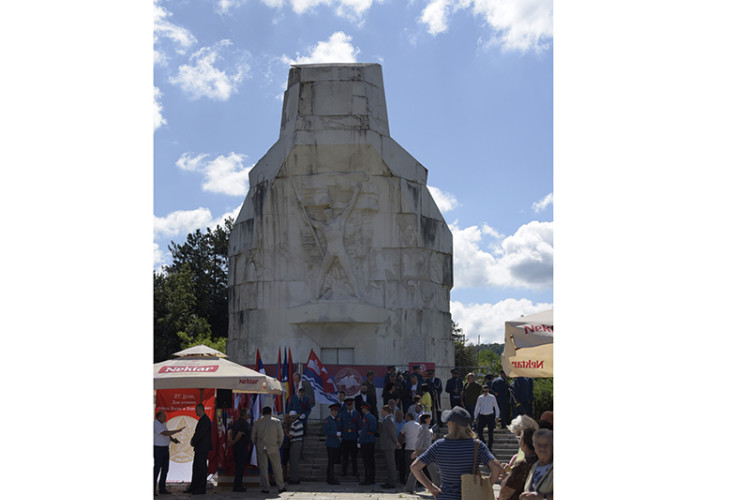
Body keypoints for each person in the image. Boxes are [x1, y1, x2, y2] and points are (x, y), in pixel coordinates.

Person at [409, 406, 502, 500]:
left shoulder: (438, 445)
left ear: (451, 424)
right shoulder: (477, 446)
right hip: (470, 496)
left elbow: (415, 467)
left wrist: (431, 487)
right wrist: (486, 486)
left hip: (445, 496)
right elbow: (497, 467)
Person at [250, 406, 287, 495]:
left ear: (262, 413)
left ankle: (266, 487)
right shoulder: (276, 422)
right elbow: (281, 436)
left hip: (261, 447)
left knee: (263, 468)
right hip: (273, 446)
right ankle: (281, 486)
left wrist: (257, 444)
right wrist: (278, 445)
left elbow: (252, 436)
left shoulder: (257, 422)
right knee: (277, 467)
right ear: (270, 413)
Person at [404, 413, 440, 494]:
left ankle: (409, 487)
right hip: (424, 451)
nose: (430, 420)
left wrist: (432, 438)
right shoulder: (423, 428)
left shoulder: (425, 428)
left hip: (425, 450)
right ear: (426, 419)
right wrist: (416, 451)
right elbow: (419, 441)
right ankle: (438, 485)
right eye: (429, 418)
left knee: (417, 468)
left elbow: (425, 439)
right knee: (432, 468)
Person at [498, 428, 538, 500]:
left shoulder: (522, 465)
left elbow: (505, 493)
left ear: (523, 443)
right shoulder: (540, 461)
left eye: (520, 438)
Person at [154, 411, 185, 496]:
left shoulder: (163, 423)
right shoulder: (155, 424)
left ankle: (162, 488)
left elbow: (167, 434)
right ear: (159, 417)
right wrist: (177, 430)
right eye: (163, 416)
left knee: (165, 469)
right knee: (157, 469)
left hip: (165, 449)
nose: (165, 417)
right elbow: (165, 433)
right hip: (158, 449)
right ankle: (152, 489)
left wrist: (173, 440)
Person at [520, 429, 552, 500]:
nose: (542, 448)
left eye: (546, 445)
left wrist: (542, 497)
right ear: (534, 447)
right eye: (539, 445)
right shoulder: (534, 466)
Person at [227, 408, 251, 492]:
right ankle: (237, 486)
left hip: (236, 447)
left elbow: (230, 431)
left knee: (238, 467)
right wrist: (233, 442)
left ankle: (237, 484)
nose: (249, 415)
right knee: (240, 467)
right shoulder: (244, 424)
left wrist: (231, 441)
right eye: (248, 414)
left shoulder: (236, 422)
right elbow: (239, 434)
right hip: (241, 447)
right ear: (245, 415)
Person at [473, 384, 500, 451]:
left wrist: (497, 417)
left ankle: (489, 448)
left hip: (490, 415)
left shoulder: (492, 397)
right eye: (484, 391)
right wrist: (475, 417)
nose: (485, 392)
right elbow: (477, 408)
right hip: (482, 416)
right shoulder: (480, 398)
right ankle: (484, 443)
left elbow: (496, 407)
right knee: (479, 432)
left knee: (490, 433)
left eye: (486, 391)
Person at [379, 405, 400, 488]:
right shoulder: (387, 420)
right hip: (387, 445)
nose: (381, 412)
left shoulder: (389, 420)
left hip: (389, 445)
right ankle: (389, 481)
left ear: (386, 411)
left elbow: (392, 433)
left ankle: (392, 482)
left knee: (391, 465)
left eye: (382, 411)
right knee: (388, 464)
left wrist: (396, 442)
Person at [339, 397, 360, 477]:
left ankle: (355, 471)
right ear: (346, 405)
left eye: (350, 405)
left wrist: (358, 438)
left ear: (353, 405)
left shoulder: (356, 414)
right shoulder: (342, 414)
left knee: (354, 457)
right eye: (348, 405)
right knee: (345, 456)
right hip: (345, 438)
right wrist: (340, 436)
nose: (349, 406)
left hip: (353, 438)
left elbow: (359, 425)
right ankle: (343, 471)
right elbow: (340, 425)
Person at [358, 403, 377, 485]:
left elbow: (364, 430)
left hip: (366, 440)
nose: (362, 410)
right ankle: (372, 478)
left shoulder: (366, 417)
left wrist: (360, 440)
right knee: (371, 460)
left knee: (366, 460)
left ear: (365, 409)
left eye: (363, 409)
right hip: (372, 439)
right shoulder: (373, 417)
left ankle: (367, 479)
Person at [322, 403, 342, 485]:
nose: (335, 413)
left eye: (336, 411)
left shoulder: (338, 419)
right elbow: (325, 431)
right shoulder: (328, 420)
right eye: (334, 411)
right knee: (331, 461)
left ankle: (331, 477)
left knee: (334, 461)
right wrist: (335, 433)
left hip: (337, 443)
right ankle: (330, 478)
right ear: (331, 411)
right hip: (330, 443)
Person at [287, 410, 304, 484]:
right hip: (299, 442)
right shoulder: (299, 423)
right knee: (295, 461)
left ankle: (294, 478)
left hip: (295, 443)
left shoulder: (294, 424)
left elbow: (290, 436)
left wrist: (285, 432)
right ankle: (295, 477)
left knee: (294, 462)